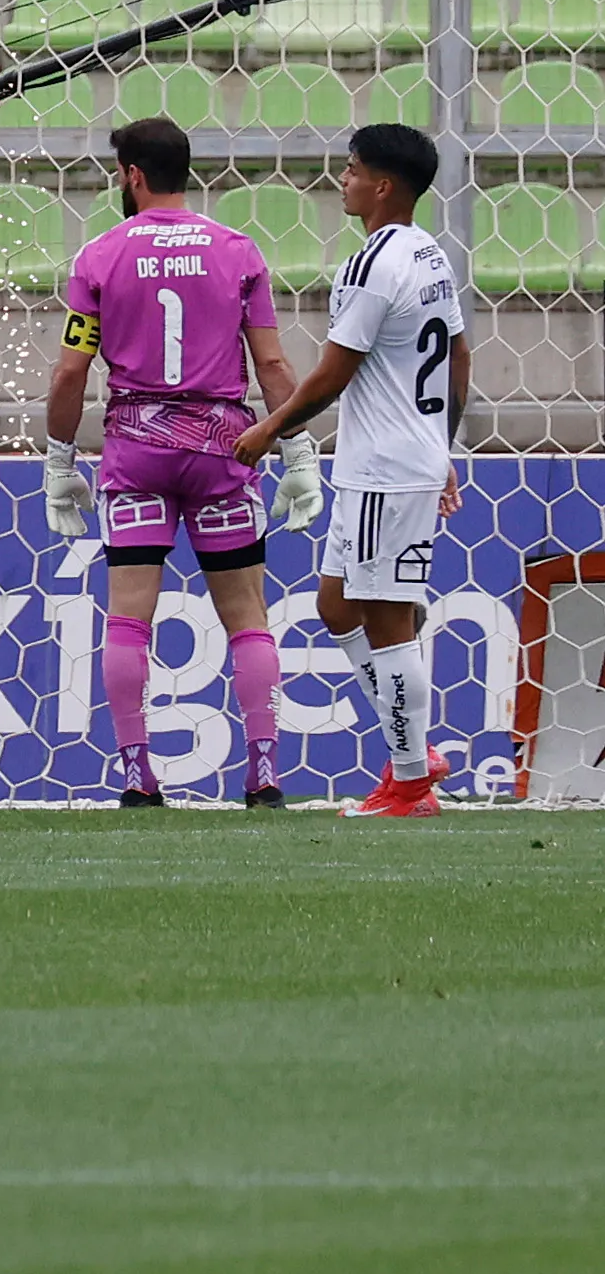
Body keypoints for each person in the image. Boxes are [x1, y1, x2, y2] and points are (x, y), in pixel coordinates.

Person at [44, 116, 315, 808]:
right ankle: (263, 775)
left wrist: (58, 460)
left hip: (136, 450)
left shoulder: (98, 256)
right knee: (246, 617)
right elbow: (274, 363)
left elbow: (70, 373)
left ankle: (137, 776)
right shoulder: (238, 251)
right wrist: (298, 449)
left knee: (127, 619)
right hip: (223, 448)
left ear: (131, 175)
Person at [235, 124, 469, 821]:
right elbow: (457, 353)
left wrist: (268, 428)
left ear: (382, 185)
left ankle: (406, 785)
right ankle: (414, 750)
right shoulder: (427, 253)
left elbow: (333, 374)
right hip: (398, 459)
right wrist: (440, 442)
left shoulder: (373, 263)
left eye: (351, 170)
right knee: (336, 605)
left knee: (387, 618)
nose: (342, 179)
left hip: (385, 470)